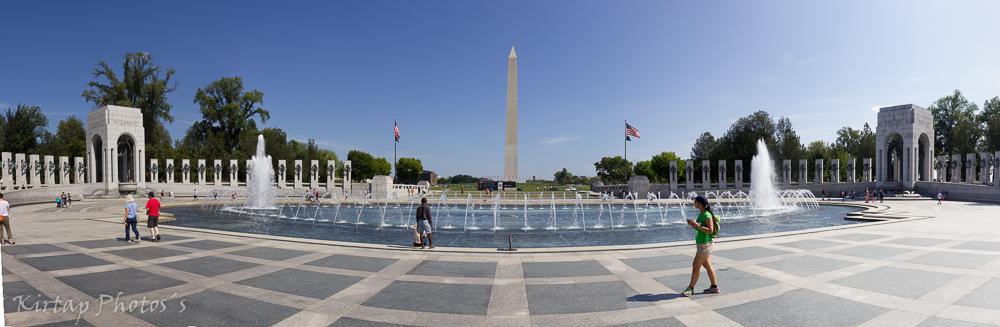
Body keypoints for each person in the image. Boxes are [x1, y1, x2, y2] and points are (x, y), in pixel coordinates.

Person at [682, 195, 719, 297]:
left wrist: (697, 225)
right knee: (707, 266)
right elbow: (701, 229)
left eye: (695, 202)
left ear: (700, 203)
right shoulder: (701, 214)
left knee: (695, 266)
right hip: (702, 244)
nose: (694, 203)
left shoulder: (706, 215)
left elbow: (710, 230)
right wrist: (694, 225)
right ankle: (714, 287)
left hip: (705, 245)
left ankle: (690, 288)